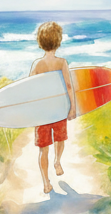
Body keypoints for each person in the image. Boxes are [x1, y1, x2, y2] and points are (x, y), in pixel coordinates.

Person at [29, 21, 76, 193]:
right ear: (58, 41)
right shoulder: (62, 63)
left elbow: (29, 88)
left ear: (40, 42)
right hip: (59, 110)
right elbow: (69, 86)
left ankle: (46, 182)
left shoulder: (37, 65)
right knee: (60, 139)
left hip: (42, 113)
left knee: (43, 149)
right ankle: (57, 161)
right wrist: (72, 107)